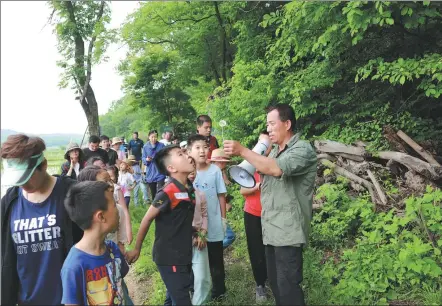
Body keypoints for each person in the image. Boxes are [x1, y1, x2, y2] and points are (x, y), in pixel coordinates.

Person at [224, 104, 318, 306]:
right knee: (276, 285)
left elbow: (275, 169)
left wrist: (242, 150)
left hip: (288, 231)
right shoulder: (274, 151)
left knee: (288, 288)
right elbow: (252, 172)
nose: (268, 129)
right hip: (270, 230)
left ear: (287, 124)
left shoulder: (302, 149)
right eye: (267, 124)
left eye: (272, 124)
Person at [0, 134, 81, 305]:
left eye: (27, 177)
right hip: (26, 300)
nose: (22, 184)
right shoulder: (9, 202)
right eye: (18, 179)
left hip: (68, 299)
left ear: (43, 165)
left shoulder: (71, 193)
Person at [126, 145, 196, 305]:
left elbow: (179, 219)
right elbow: (147, 218)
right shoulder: (167, 192)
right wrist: (137, 248)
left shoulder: (188, 188)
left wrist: (194, 231)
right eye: (181, 154)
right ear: (171, 168)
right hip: (169, 257)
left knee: (172, 298)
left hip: (183, 253)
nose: (187, 155)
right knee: (182, 300)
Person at [61, 181, 130, 305]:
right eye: (114, 205)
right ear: (101, 216)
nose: (118, 210)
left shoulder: (112, 249)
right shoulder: (74, 266)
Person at [187, 134, 227, 300]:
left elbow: (221, 195)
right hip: (193, 227)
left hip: (214, 223)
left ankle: (219, 291)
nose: (202, 151)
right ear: (189, 151)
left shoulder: (215, 170)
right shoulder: (187, 173)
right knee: (194, 259)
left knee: (216, 258)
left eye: (205, 147)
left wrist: (223, 219)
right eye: (197, 148)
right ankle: (193, 288)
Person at [239, 131, 273, 302]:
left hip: (273, 214)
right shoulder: (249, 165)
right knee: (256, 250)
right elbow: (242, 190)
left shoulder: (275, 163)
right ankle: (260, 284)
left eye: (268, 142)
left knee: (272, 249)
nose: (265, 145)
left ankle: (274, 281)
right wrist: (257, 185)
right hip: (252, 214)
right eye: (262, 142)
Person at [209, 148, 236, 249]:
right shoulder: (212, 174)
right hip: (213, 212)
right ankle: (212, 250)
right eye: (224, 163)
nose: (225, 165)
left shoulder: (218, 172)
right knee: (229, 236)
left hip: (217, 212)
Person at [142, 130, 166, 197]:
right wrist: (146, 159)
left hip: (159, 170)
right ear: (149, 137)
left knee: (161, 191)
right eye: (152, 137)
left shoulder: (161, 145)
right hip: (150, 171)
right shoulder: (145, 147)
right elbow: (143, 158)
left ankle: (162, 205)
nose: (154, 139)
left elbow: (165, 156)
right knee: (153, 192)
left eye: (155, 137)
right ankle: (155, 205)